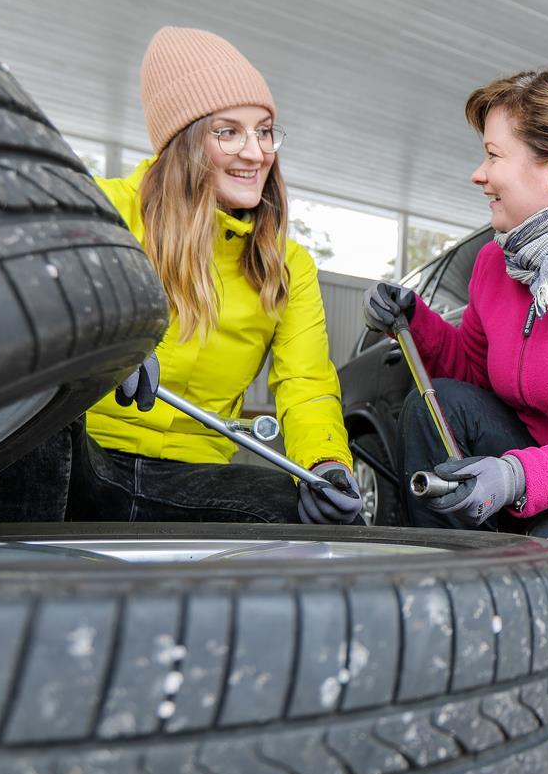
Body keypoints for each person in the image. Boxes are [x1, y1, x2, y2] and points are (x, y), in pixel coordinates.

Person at [364, 69, 548, 570]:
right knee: (439, 406)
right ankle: (445, 581)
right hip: (545, 456)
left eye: (493, 155)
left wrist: (518, 476)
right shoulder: (497, 262)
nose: (478, 174)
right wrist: (414, 318)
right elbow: (477, 376)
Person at [68, 27, 361, 525]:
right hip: (82, 458)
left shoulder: (288, 265)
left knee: (326, 518)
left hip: (195, 477)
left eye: (264, 130)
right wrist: (99, 347)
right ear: (182, 142)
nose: (256, 152)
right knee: (29, 455)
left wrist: (326, 462)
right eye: (228, 131)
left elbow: (306, 383)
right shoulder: (101, 210)